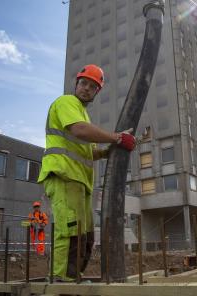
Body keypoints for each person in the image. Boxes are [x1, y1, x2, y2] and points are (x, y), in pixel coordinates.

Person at [37, 64, 136, 282]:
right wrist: (117, 137)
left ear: (97, 92)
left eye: (93, 87)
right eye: (84, 83)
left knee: (85, 234)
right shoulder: (66, 103)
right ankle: (60, 278)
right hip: (64, 176)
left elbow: (89, 151)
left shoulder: (82, 114)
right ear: (77, 83)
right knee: (69, 229)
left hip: (80, 182)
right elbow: (79, 130)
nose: (86, 89)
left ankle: (74, 276)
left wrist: (108, 151)